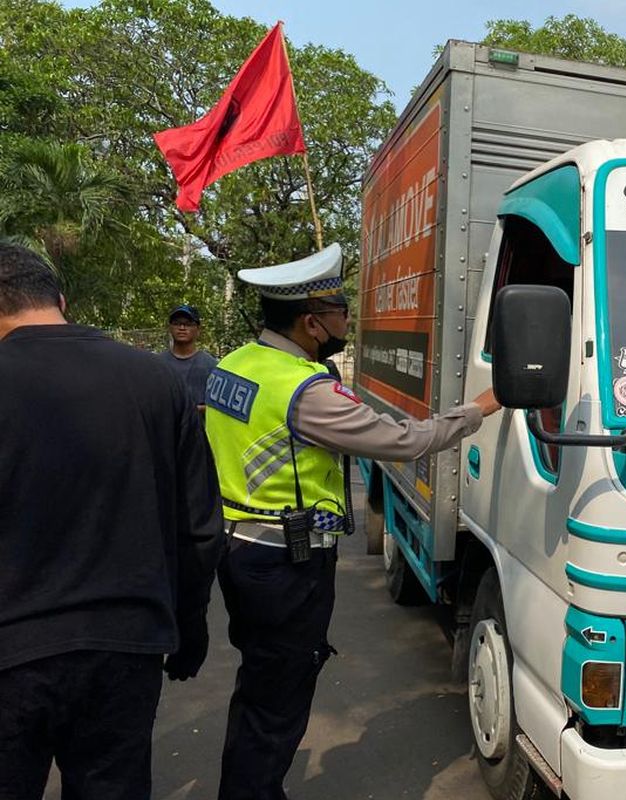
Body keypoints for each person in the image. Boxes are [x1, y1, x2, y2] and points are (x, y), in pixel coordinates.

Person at [207, 243, 500, 800]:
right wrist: (478, 409)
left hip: (240, 549)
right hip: (283, 563)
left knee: (259, 689)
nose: (349, 322)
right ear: (313, 322)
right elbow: (404, 440)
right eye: (342, 313)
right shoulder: (305, 391)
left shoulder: (237, 364)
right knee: (279, 700)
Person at [0, 242, 224, 799]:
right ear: (61, 299)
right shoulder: (155, 380)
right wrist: (189, 627)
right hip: (126, 648)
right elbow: (200, 527)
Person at [161, 303, 219, 416]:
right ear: (170, 328)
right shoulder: (159, 363)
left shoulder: (211, 365)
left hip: (199, 430)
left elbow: (218, 408)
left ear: (198, 329)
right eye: (177, 323)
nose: (182, 328)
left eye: (188, 324)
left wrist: (191, 410)